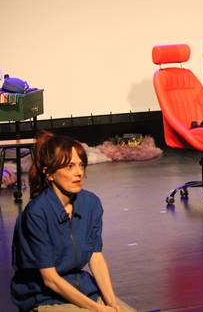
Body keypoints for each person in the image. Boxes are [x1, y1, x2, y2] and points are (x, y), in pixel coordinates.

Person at [10, 131, 134, 311]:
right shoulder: (37, 213)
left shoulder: (90, 204)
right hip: (44, 297)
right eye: (69, 167)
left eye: (81, 165)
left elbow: (95, 256)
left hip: (81, 288)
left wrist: (112, 303)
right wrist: (97, 309)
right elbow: (50, 279)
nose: (78, 173)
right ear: (49, 173)